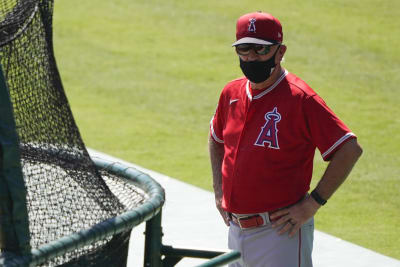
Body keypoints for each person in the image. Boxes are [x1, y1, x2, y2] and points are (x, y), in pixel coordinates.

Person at [208, 11, 363, 267]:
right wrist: (218, 190)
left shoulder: (301, 99)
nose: (251, 57)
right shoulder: (231, 92)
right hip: (235, 231)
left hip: (280, 234)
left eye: (261, 50)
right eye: (244, 49)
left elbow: (349, 149)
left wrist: (313, 203)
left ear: (280, 52)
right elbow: (215, 138)